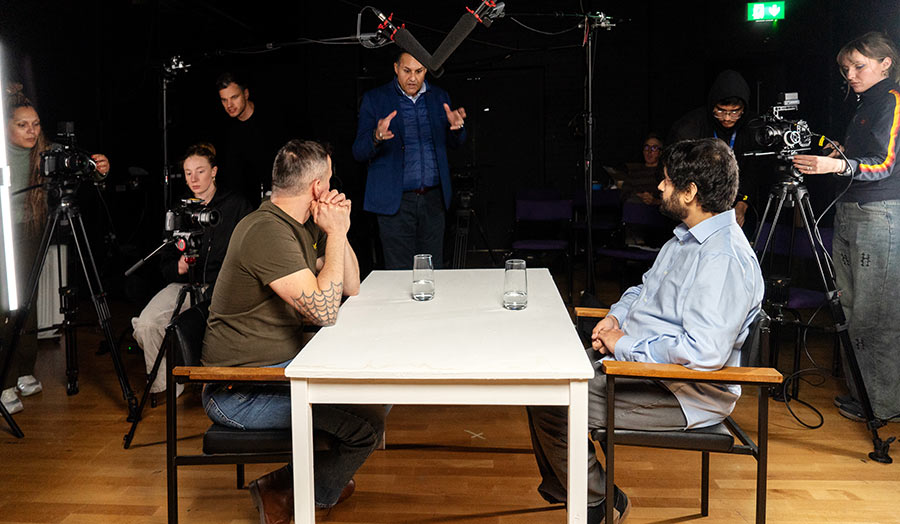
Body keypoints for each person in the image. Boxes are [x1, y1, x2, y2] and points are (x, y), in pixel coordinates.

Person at [527, 138, 764, 523]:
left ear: (690, 192)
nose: (660, 187)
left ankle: (595, 504)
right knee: (543, 379)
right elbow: (643, 289)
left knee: (552, 400)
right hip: (641, 366)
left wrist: (624, 345)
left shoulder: (723, 258)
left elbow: (703, 354)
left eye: (667, 181)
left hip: (681, 389)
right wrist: (616, 318)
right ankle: (584, 493)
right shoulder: (686, 237)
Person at [202, 139, 385, 523]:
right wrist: (336, 233)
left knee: (376, 399)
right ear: (317, 186)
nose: (333, 187)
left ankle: (290, 485)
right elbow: (326, 311)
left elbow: (350, 285)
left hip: (278, 374)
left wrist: (338, 230)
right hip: (239, 392)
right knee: (364, 428)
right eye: (329, 180)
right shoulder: (266, 231)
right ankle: (295, 493)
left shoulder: (298, 225)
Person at [790, 31, 900, 423]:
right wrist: (842, 153)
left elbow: (885, 164)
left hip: (879, 214)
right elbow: (867, 157)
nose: (850, 75)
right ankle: (865, 397)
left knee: (877, 315)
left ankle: (883, 407)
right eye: (846, 69)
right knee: (850, 308)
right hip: (852, 210)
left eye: (858, 66)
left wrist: (836, 164)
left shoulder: (892, 100)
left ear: (885, 64)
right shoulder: (865, 102)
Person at [1, 85, 110, 415]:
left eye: (35, 124)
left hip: (30, 231)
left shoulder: (44, 151)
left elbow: (75, 161)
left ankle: (24, 369)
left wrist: (98, 167)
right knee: (6, 305)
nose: (32, 131)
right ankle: (4, 380)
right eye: (22, 125)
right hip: (4, 234)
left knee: (27, 299)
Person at [130, 143, 251, 398]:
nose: (193, 179)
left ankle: (220, 386)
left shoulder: (236, 205)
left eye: (200, 171)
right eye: (188, 173)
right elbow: (165, 262)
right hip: (184, 285)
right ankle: (167, 387)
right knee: (146, 325)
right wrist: (178, 266)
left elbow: (250, 254)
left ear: (214, 171)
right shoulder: (179, 210)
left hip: (222, 288)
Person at [352, 52, 467, 269]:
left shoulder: (439, 97)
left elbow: (455, 144)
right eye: (407, 71)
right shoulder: (375, 99)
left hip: (433, 200)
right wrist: (376, 137)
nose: (413, 78)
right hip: (394, 203)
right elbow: (358, 152)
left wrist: (457, 128)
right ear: (396, 68)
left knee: (432, 270)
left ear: (426, 71)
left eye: (419, 71)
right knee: (398, 273)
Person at [669, 70, 761, 228]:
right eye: (720, 110)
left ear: (743, 109)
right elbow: (678, 173)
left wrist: (743, 203)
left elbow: (755, 172)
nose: (727, 118)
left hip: (740, 202)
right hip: (697, 206)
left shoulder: (753, 128)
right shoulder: (689, 127)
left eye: (734, 112)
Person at [215, 72, 285, 207]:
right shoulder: (226, 130)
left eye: (234, 97)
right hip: (246, 203)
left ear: (246, 94)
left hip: (280, 194)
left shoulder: (272, 118)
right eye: (224, 100)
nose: (229, 105)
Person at [622, 133, 664, 205]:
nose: (649, 151)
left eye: (654, 148)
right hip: (635, 207)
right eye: (647, 147)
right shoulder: (635, 172)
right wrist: (639, 196)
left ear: (660, 153)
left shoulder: (664, 172)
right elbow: (623, 194)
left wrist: (655, 201)